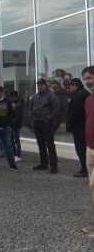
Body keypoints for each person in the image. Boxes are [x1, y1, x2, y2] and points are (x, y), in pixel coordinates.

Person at [30, 78, 60, 174]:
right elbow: (30, 109)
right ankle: (43, 163)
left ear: (45, 85)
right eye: (38, 85)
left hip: (47, 124)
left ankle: (53, 166)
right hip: (37, 123)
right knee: (41, 144)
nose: (39, 86)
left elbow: (56, 110)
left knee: (50, 145)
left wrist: (48, 119)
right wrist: (32, 120)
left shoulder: (52, 96)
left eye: (41, 84)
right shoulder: (34, 97)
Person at [67, 78, 90, 177]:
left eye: (70, 85)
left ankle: (85, 170)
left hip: (80, 127)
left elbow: (75, 113)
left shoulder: (78, 96)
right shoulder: (85, 93)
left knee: (81, 149)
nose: (69, 88)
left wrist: (70, 122)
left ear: (75, 85)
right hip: (86, 126)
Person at [81, 66, 94, 237]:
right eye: (85, 79)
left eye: (90, 78)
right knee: (92, 188)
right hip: (90, 149)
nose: (87, 82)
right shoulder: (89, 100)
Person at [9, 91, 24, 162]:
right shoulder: (14, 104)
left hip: (15, 126)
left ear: (14, 96)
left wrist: (12, 122)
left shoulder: (18, 105)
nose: (11, 98)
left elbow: (18, 116)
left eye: (11, 97)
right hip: (12, 125)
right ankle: (15, 154)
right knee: (12, 140)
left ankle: (18, 155)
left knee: (16, 140)